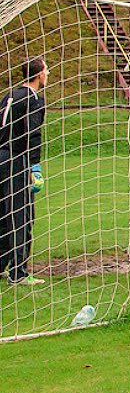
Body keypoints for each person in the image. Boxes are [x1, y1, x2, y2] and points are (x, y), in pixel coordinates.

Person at [1, 57, 50, 285]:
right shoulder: (33, 99)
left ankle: (2, 265)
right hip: (17, 160)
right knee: (22, 215)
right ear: (40, 74)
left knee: (4, 214)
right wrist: (35, 166)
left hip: (1, 158)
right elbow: (32, 134)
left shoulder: (9, 96)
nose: (47, 73)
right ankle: (19, 273)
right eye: (46, 69)